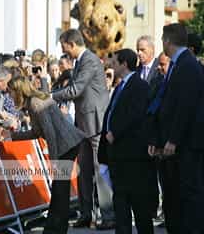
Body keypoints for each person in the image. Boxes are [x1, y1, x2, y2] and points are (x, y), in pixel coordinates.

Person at [6, 75, 84, 234]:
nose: (9, 96)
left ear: (18, 91)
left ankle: (57, 229)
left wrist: (54, 161)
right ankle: (53, 228)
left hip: (66, 145)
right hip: (68, 144)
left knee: (60, 190)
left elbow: (50, 133)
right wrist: (13, 136)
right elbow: (37, 132)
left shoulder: (35, 103)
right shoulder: (34, 101)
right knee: (59, 189)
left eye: (10, 92)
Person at [53, 28, 113, 229]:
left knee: (99, 171)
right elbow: (73, 88)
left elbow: (76, 89)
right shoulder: (80, 62)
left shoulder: (90, 60)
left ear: (72, 44)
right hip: (83, 125)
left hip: (95, 124)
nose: (64, 52)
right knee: (84, 172)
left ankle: (108, 215)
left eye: (64, 47)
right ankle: (86, 213)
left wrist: (51, 97)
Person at [147, 23, 204, 234]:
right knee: (177, 195)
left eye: (163, 39)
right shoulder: (178, 64)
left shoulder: (187, 65)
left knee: (190, 195)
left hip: (187, 144)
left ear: (168, 41)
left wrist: (173, 139)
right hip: (176, 144)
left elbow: (185, 107)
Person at [98, 49, 158, 234]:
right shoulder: (120, 86)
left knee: (140, 209)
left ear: (124, 64)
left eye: (115, 62)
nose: (112, 66)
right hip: (119, 158)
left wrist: (115, 132)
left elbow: (135, 114)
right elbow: (113, 113)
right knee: (121, 207)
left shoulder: (139, 86)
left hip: (133, 158)